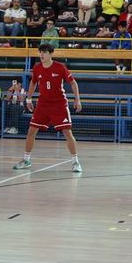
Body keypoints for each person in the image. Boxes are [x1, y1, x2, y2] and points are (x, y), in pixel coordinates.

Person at [12, 42, 82, 173]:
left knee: (67, 132)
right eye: (40, 52)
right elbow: (33, 83)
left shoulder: (60, 67)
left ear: (51, 54)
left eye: (44, 52)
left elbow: (73, 83)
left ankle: (75, 162)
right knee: (31, 131)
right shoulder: (37, 68)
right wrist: (28, 98)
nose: (42, 54)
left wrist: (77, 99)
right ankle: (26, 160)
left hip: (59, 104)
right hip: (43, 104)